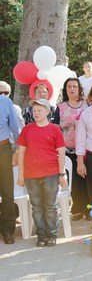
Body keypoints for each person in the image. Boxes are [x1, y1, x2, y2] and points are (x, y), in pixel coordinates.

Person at [16, 98, 67, 247]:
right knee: (36, 206)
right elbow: (21, 153)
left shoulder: (54, 129)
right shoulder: (27, 129)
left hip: (50, 174)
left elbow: (62, 152)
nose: (36, 113)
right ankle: (41, 235)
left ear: (47, 112)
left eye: (39, 110)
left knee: (50, 206)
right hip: (31, 175)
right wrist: (20, 174)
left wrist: (61, 173)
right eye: (34, 110)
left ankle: (51, 235)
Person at [53, 78, 90, 221]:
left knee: (86, 179)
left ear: (80, 89)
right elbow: (55, 126)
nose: (72, 89)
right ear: (66, 89)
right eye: (69, 86)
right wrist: (68, 124)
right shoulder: (60, 107)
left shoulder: (86, 105)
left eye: (75, 86)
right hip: (67, 150)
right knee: (74, 180)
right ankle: (77, 209)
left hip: (86, 149)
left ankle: (88, 209)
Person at [0, 90, 21, 245]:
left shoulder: (5, 102)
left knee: (7, 192)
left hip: (3, 150)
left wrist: (18, 150)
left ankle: (7, 230)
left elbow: (15, 127)